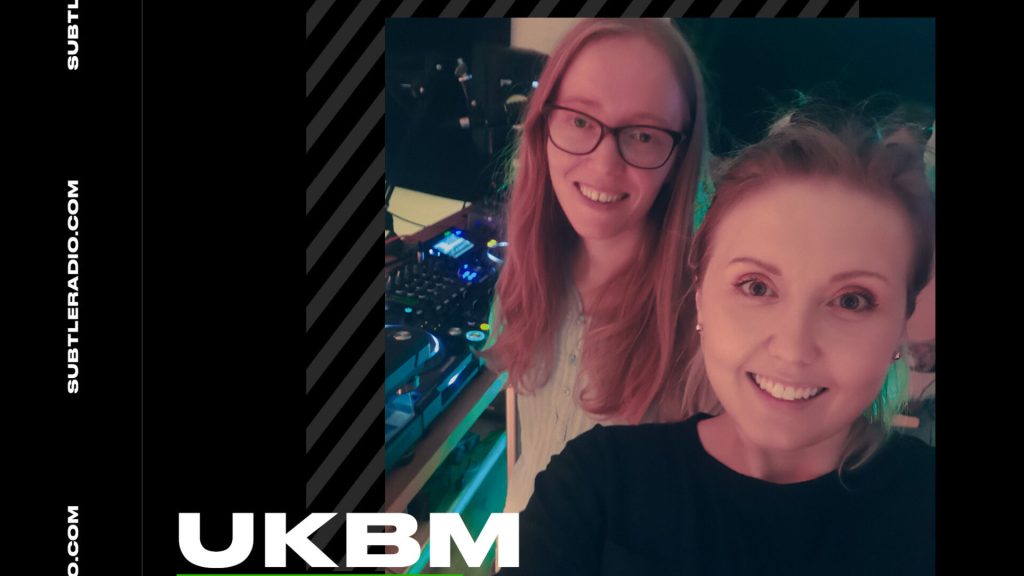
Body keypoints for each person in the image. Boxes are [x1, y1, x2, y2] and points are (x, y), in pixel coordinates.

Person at [501, 103, 936, 575]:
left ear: (901, 322)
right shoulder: (596, 483)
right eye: (757, 287)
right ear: (701, 297)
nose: (792, 349)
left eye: (851, 300)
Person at [481, 18, 712, 516]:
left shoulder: (707, 326)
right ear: (544, 126)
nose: (605, 166)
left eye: (643, 135)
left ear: (679, 155)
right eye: (581, 121)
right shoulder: (527, 273)